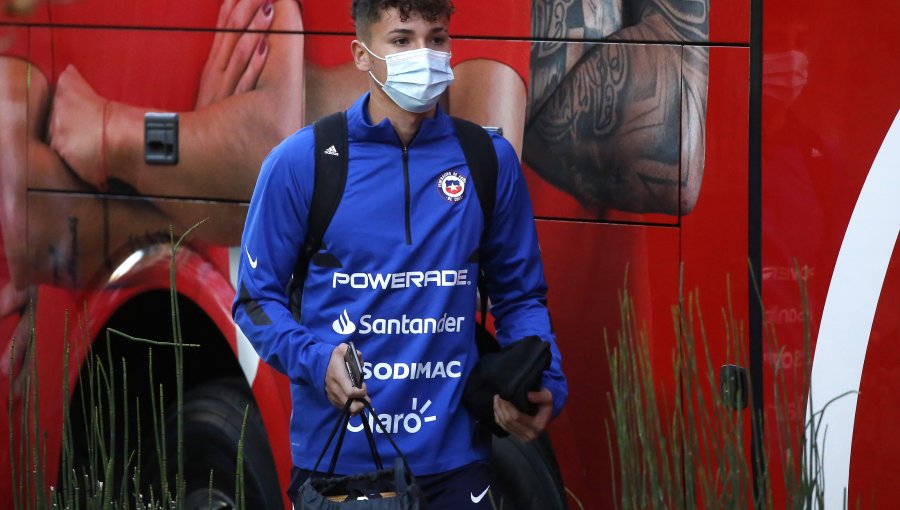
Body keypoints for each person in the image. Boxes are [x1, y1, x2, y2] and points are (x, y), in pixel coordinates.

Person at [231, 0, 568, 508]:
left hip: (457, 462)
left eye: (437, 38)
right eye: (402, 39)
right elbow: (255, 301)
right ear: (362, 54)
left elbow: (520, 298)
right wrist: (318, 361)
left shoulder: (487, 160)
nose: (424, 55)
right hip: (341, 465)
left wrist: (545, 383)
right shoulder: (303, 163)